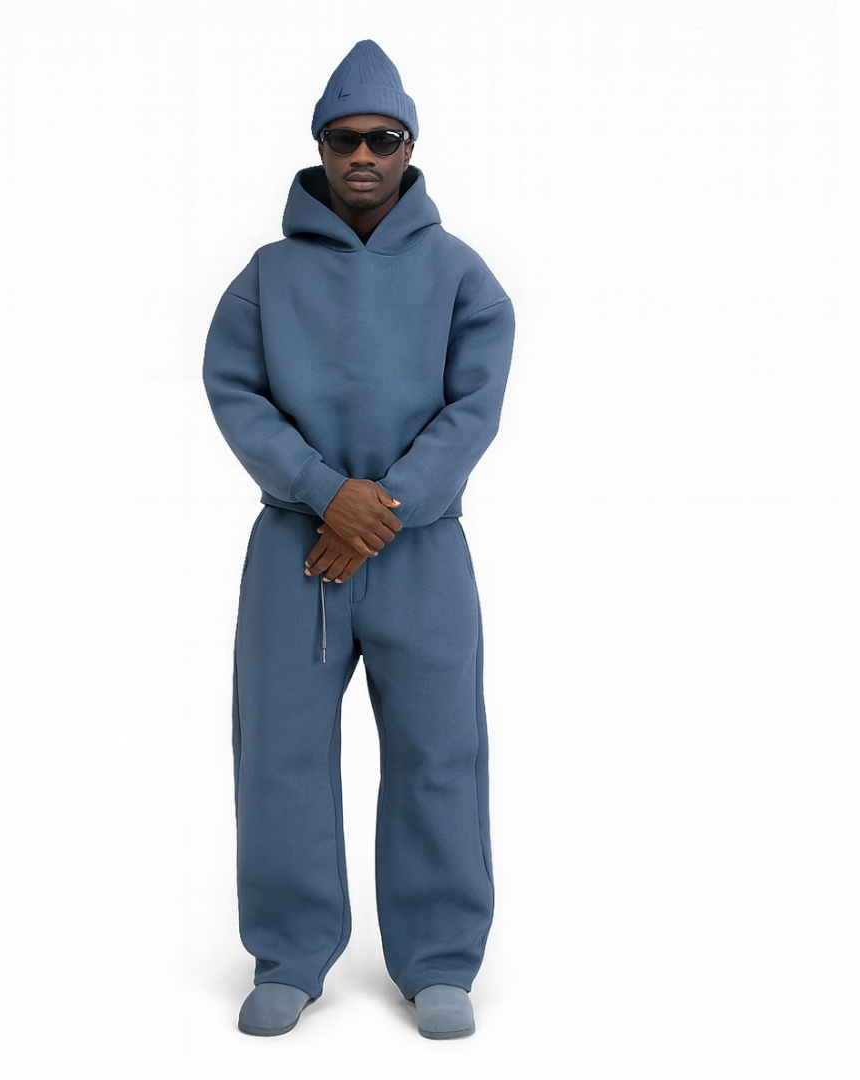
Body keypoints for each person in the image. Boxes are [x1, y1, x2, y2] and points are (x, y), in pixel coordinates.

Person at [202, 39, 515, 1040]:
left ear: (411, 144)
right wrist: (323, 494)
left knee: (439, 752)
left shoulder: (462, 276)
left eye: (383, 138)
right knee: (279, 753)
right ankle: (289, 954)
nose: (364, 155)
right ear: (321, 147)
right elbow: (236, 395)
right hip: (297, 553)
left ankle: (440, 959)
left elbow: (473, 410)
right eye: (345, 140)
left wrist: (380, 508)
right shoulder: (266, 278)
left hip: (421, 551)